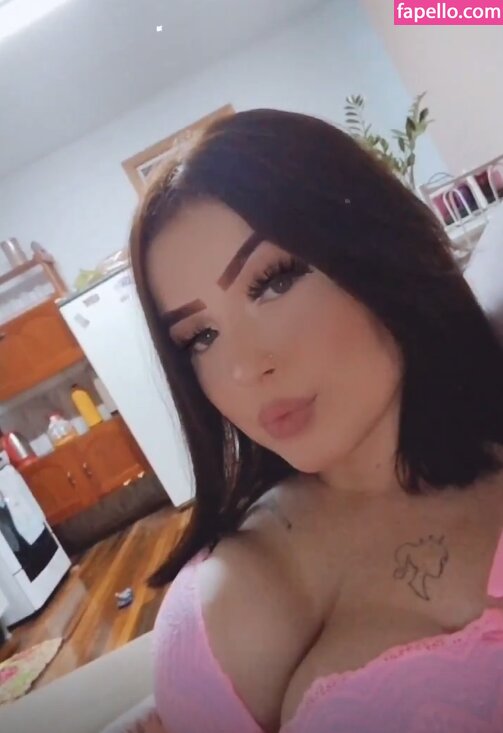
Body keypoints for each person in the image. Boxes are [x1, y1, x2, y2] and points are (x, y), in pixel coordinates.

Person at [128, 109, 503, 733]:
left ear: (376, 246)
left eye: (273, 282)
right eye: (200, 336)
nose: (244, 367)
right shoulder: (235, 600)